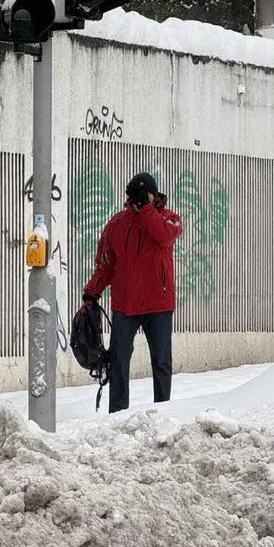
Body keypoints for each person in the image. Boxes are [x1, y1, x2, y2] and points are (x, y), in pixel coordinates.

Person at [82, 172, 183, 413]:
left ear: (153, 194)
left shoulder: (169, 218)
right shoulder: (117, 224)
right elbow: (106, 265)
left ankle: (163, 412)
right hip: (125, 305)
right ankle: (117, 414)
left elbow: (163, 236)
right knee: (118, 362)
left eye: (144, 195)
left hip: (158, 304)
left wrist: (146, 209)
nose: (138, 201)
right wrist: (91, 292)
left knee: (161, 362)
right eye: (135, 196)